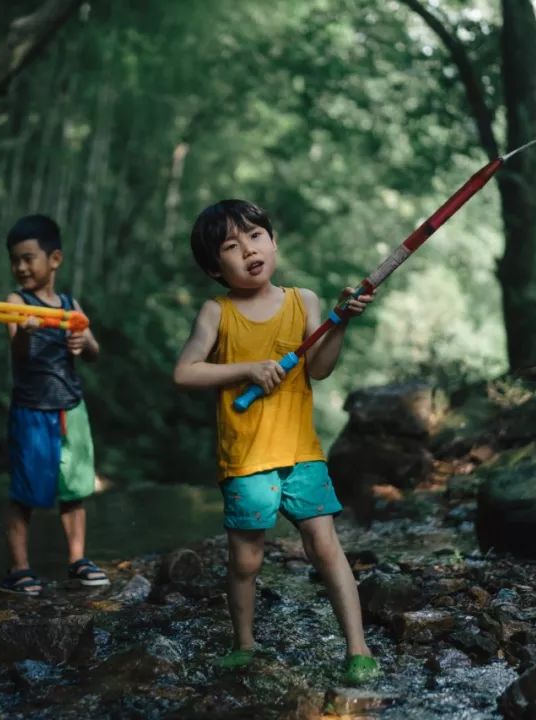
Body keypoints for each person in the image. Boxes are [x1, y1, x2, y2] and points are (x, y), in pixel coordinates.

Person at [173, 199, 379, 684]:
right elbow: (184, 372)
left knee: (326, 546)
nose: (248, 249)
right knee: (246, 558)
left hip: (302, 452)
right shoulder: (216, 312)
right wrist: (246, 368)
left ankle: (358, 647)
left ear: (273, 241)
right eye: (230, 245)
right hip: (245, 459)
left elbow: (321, 368)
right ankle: (244, 644)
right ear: (212, 267)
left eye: (255, 236)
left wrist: (339, 321)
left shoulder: (302, 301)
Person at [0, 214, 109, 596]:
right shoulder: (16, 301)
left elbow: (93, 351)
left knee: (75, 489)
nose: (21, 267)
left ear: (55, 259)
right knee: (25, 491)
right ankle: (19, 567)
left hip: (71, 406)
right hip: (31, 409)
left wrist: (83, 342)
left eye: (29, 258)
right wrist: (26, 333)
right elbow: (18, 352)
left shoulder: (68, 302)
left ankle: (77, 558)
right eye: (15, 260)